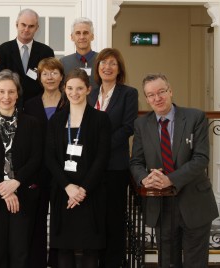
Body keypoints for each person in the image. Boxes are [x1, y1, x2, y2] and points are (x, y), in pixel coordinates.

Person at [130, 73, 218, 268]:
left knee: (195, 263)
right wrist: (145, 179)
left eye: (161, 92)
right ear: (146, 99)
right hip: (161, 204)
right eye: (151, 95)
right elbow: (136, 162)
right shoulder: (141, 124)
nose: (157, 98)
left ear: (170, 91)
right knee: (168, 262)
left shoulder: (195, 117)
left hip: (194, 202)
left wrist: (170, 179)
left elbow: (201, 158)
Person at [0, 69, 42, 268]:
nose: (6, 97)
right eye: (2, 92)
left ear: (17, 94)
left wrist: (16, 182)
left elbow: (36, 158)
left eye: (11, 92)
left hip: (23, 196)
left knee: (20, 253)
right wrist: (5, 189)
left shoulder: (32, 123)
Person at [45, 68, 111, 268]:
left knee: (90, 248)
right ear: (64, 89)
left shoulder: (101, 119)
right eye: (70, 88)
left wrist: (83, 189)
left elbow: (102, 157)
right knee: (64, 248)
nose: (74, 93)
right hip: (63, 192)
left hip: (90, 193)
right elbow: (49, 157)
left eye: (80, 88)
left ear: (89, 89)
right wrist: (68, 187)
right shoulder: (56, 120)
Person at [87, 48, 138, 267]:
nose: (107, 67)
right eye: (103, 63)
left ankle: (114, 262)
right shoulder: (89, 93)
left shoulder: (128, 93)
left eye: (112, 63)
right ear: (97, 68)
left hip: (115, 167)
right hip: (89, 168)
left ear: (119, 69)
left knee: (114, 220)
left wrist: (102, 148)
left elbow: (128, 127)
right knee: (94, 219)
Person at [23, 57, 66, 268]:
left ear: (61, 76)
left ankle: (57, 262)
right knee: (36, 218)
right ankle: (36, 262)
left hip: (63, 170)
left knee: (60, 217)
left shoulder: (70, 101)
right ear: (39, 78)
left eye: (54, 72)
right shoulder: (30, 104)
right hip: (36, 169)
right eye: (45, 73)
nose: (50, 77)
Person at [0, 8, 55, 104]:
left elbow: (50, 81)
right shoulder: (2, 51)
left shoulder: (46, 52)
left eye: (31, 26)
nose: (26, 29)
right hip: (9, 105)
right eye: (23, 25)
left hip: (38, 106)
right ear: (16, 25)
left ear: (37, 28)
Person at [60, 17, 98, 89]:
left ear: (92, 36)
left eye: (85, 33)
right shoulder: (63, 63)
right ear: (72, 37)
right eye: (78, 33)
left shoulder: (102, 61)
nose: (82, 37)